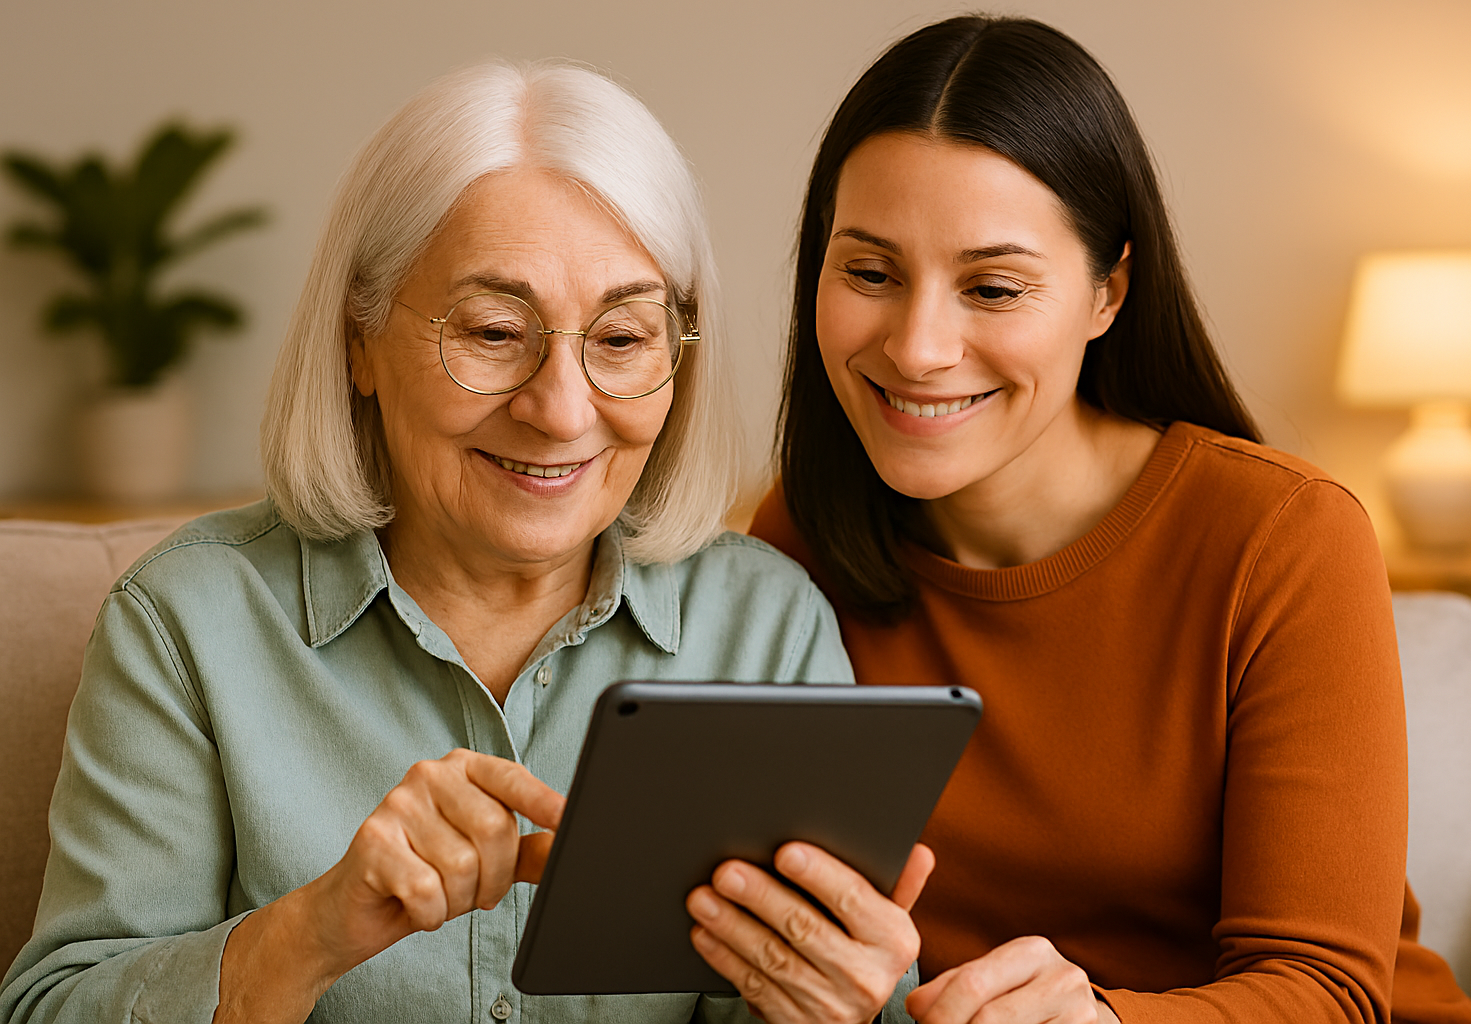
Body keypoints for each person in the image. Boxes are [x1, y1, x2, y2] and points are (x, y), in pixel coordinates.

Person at [0, 61, 925, 1024]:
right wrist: (313, 930)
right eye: (492, 330)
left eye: (621, 341)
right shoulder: (188, 623)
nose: (562, 412)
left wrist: (842, 1004)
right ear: (359, 338)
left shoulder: (764, 628)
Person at [686, 16, 1471, 1024]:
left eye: (993, 286)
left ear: (1108, 290)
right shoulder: (802, 537)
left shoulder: (1284, 535)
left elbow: (1328, 989)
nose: (919, 346)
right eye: (871, 272)